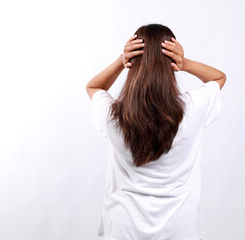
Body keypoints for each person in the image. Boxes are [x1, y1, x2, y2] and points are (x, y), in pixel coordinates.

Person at [85, 23, 226, 240]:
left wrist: (121, 62)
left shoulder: (114, 115)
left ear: (133, 63)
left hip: (124, 228)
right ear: (171, 62)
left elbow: (94, 87)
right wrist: (184, 63)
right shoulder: (191, 109)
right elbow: (218, 78)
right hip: (180, 229)